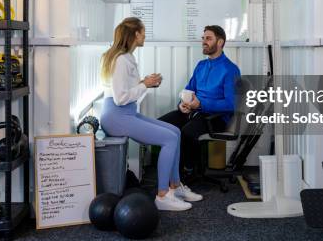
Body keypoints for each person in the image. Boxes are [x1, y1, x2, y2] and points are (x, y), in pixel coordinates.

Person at [100, 17, 203, 211]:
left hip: (125, 113)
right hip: (117, 116)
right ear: (135, 34)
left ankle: (175, 185)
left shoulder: (127, 57)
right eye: (143, 31)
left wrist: (147, 83)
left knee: (175, 131)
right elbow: (120, 98)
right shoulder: (121, 60)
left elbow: (130, 93)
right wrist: (144, 84)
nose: (145, 35)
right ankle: (163, 196)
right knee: (169, 139)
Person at [159, 25, 241, 179]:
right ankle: (169, 171)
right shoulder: (201, 65)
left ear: (220, 42)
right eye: (203, 38)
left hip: (215, 117)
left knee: (187, 133)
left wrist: (201, 104)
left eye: (208, 38)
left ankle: (186, 172)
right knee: (162, 126)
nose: (204, 42)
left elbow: (231, 105)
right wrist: (182, 104)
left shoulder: (230, 69)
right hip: (193, 110)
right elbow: (189, 90)